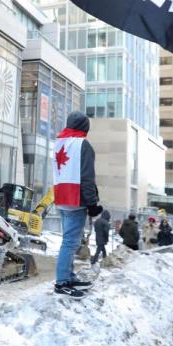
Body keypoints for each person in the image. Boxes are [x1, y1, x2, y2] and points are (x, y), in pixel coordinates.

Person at [51, 111, 102, 299]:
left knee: (69, 241)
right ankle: (62, 281)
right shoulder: (83, 145)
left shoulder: (60, 142)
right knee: (70, 243)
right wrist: (92, 203)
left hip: (62, 197)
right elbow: (87, 177)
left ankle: (69, 276)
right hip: (76, 199)